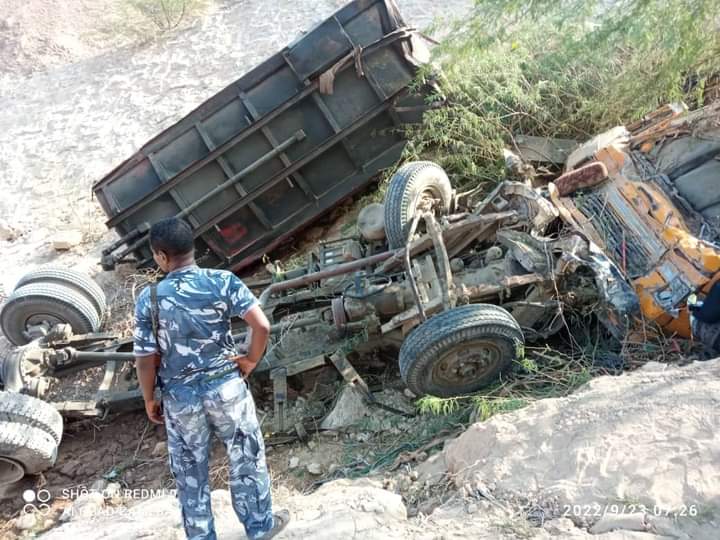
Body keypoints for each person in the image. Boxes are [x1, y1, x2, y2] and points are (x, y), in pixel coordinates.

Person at [133, 217, 289, 540]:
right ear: (193, 248)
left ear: (161, 256)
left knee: (191, 473)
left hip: (181, 399)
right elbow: (261, 326)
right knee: (246, 456)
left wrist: (149, 398)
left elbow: (146, 359)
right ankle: (260, 529)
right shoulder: (222, 281)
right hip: (227, 388)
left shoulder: (149, 299)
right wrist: (249, 360)